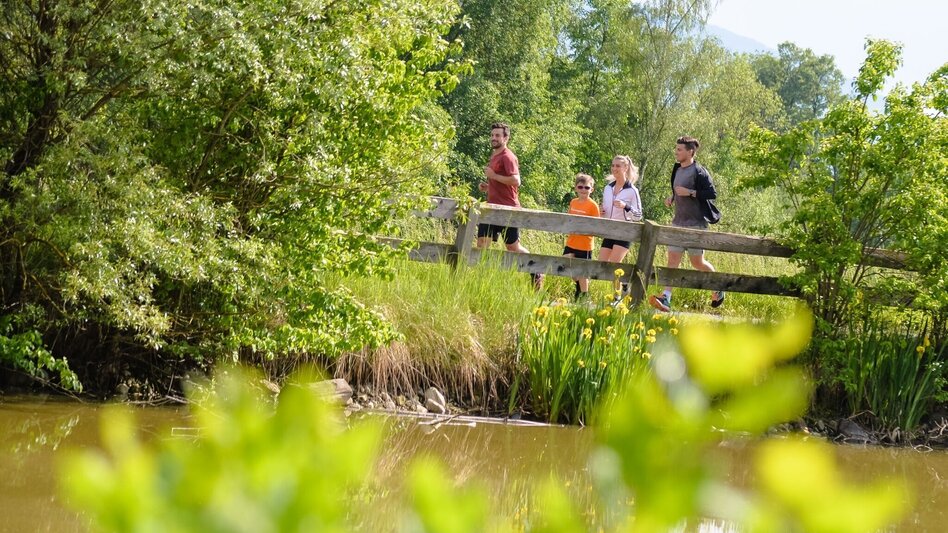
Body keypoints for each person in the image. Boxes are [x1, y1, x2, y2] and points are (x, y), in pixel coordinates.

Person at [649, 136, 724, 312]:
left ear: (690, 151)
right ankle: (666, 297)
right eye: (676, 149)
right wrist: (672, 198)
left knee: (697, 263)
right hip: (678, 223)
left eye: (680, 149)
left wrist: (690, 192)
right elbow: (677, 190)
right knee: (672, 260)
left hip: (696, 225)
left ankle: (717, 288)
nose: (676, 152)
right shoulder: (677, 169)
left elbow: (711, 194)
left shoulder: (699, 171)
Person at [476, 122, 543, 289]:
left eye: (498, 135)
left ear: (506, 138)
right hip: (491, 208)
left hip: (508, 209)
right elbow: (502, 183)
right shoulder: (495, 156)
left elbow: (516, 181)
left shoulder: (507, 156)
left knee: (513, 247)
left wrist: (494, 176)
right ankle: (482, 282)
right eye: (492, 135)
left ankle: (536, 269)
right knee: (482, 244)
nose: (494, 138)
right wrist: (489, 186)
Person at [599, 155, 643, 298]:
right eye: (613, 165)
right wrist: (601, 211)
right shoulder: (607, 188)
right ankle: (624, 284)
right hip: (609, 230)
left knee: (615, 263)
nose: (614, 169)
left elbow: (638, 216)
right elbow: (606, 211)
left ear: (625, 168)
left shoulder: (632, 190)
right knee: (602, 263)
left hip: (625, 231)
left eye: (618, 166)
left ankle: (617, 296)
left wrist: (626, 206)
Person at [563, 173, 600, 299]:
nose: (583, 190)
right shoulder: (573, 202)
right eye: (580, 187)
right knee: (569, 267)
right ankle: (579, 291)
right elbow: (569, 219)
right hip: (571, 241)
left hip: (585, 244)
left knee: (583, 271)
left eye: (587, 188)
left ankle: (583, 296)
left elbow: (597, 224)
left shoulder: (592, 205)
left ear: (592, 190)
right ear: (575, 188)